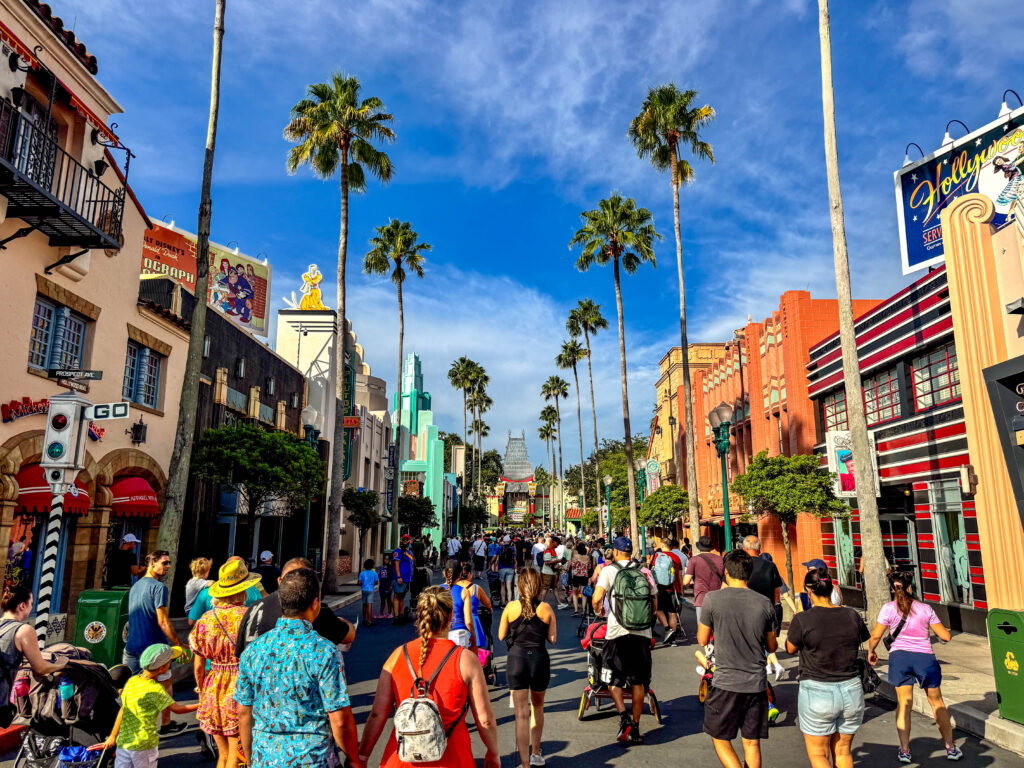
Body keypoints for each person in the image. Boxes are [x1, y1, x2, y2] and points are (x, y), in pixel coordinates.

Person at [358, 587, 500, 768]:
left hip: (403, 758)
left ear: (420, 616)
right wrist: (493, 752)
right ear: (451, 616)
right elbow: (484, 718)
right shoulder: (465, 660)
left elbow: (377, 714)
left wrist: (363, 756)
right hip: (453, 757)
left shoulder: (397, 656)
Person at [234, 569, 361, 767]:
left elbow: (244, 713)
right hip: (313, 758)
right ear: (315, 603)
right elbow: (340, 720)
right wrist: (354, 758)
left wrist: (251, 759)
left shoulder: (252, 652)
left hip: (265, 758)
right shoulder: (324, 651)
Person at [867, 568, 961, 762]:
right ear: (911, 586)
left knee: (904, 703)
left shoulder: (888, 609)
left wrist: (872, 651)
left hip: (900, 658)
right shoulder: (926, 609)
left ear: (894, 587)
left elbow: (876, 635)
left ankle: (905, 751)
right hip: (924, 658)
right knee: (937, 702)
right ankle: (950, 748)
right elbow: (945, 636)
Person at [698, 549, 778, 768]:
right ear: (749, 573)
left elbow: (702, 639)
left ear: (726, 572)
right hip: (756, 683)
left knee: (721, 738)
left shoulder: (712, 599)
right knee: (752, 743)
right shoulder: (764, 603)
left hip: (725, 682)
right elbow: (772, 646)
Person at [786, 567, 870, 768]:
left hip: (817, 690)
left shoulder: (802, 619)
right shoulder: (851, 615)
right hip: (851, 689)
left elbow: (790, 648)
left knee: (819, 755)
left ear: (809, 590)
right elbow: (862, 639)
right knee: (842, 753)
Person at [191, 560, 260, 768]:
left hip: (214, 686)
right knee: (236, 752)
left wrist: (202, 689)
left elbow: (198, 665)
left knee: (223, 754)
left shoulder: (206, 620)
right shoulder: (249, 617)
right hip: (241, 686)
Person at [591, 536, 656, 745]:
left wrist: (599, 610)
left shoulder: (609, 570)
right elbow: (655, 601)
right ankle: (635, 726)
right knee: (639, 682)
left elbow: (597, 596)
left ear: (617, 553)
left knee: (612, 680)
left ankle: (623, 717)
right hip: (642, 634)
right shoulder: (644, 571)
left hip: (617, 633)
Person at [96, 644, 199, 768]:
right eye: (169, 661)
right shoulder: (156, 689)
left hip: (124, 743)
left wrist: (113, 736)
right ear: (162, 668)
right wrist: (201, 704)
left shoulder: (132, 682)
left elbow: (123, 710)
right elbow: (178, 709)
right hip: (145, 745)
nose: (171, 663)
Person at [235, 557, 355, 659]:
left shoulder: (255, 608)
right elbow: (348, 635)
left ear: (280, 581)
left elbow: (240, 659)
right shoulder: (316, 613)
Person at [499, 568, 556, 768]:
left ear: (519, 585)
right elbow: (552, 639)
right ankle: (536, 752)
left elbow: (500, 635)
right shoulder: (546, 608)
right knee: (538, 707)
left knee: (521, 714)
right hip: (539, 660)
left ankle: (524, 764)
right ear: (538, 585)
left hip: (517, 661)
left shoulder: (510, 608)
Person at [124, 550, 186, 733]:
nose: (168, 567)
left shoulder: (135, 586)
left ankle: (132, 726)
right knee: (166, 683)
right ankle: (166, 723)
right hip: (153, 648)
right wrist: (178, 644)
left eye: (168, 563)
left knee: (134, 688)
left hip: (132, 646)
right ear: (152, 564)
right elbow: (163, 621)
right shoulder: (159, 588)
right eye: (164, 563)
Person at [0, 585, 68, 724]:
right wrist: (61, 663)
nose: (31, 608)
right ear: (22, 606)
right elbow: (40, 667)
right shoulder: (24, 630)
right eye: (31, 604)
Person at [189, 556, 264, 627]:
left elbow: (191, 622)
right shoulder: (254, 591)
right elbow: (260, 619)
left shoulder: (205, 593)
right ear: (245, 569)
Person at [742, 537, 783, 627]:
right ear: (759, 550)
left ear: (743, 549)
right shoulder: (771, 566)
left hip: (744, 614)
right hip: (766, 612)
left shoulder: (739, 566)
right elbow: (777, 594)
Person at [449, 562, 490, 651]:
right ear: (470, 574)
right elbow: (487, 603)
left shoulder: (453, 588)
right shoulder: (476, 588)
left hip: (455, 624)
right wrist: (490, 609)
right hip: (472, 623)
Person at [684, 536, 725, 625]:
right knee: (718, 628)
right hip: (717, 597)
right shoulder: (721, 559)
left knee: (703, 630)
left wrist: (690, 585)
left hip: (701, 598)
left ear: (699, 547)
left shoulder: (694, 560)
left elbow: (686, 581)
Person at [650, 537, 683, 646]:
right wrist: (681, 589)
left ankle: (667, 629)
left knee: (658, 610)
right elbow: (679, 575)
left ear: (663, 545)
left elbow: (653, 572)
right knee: (672, 613)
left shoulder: (658, 557)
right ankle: (673, 639)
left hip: (660, 588)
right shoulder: (676, 558)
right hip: (673, 588)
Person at [393, 536, 416, 621]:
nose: (406, 541)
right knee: (397, 595)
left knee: (402, 596)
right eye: (404, 539)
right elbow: (396, 563)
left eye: (407, 539)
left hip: (407, 578)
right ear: (401, 541)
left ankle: (401, 614)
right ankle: (396, 616)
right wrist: (398, 576)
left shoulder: (409, 552)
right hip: (400, 577)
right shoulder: (398, 550)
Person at [568, 542, 593, 616]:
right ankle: (583, 610)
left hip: (576, 576)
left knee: (575, 593)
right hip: (584, 576)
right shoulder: (587, 557)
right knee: (583, 594)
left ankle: (576, 611)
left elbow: (572, 566)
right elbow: (589, 567)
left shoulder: (575, 557)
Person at [492, 535, 517, 606]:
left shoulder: (499, 548)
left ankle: (503, 602)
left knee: (502, 585)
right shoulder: (512, 548)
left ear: (503, 541)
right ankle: (509, 602)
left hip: (501, 568)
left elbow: (494, 557)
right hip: (510, 568)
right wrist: (515, 568)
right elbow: (515, 560)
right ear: (509, 541)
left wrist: (491, 564)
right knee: (509, 586)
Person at [359, 558, 380, 626]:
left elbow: (359, 582)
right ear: (372, 565)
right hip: (371, 590)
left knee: (364, 605)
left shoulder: (362, 573)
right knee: (369, 605)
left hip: (364, 590)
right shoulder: (374, 573)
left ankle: (364, 619)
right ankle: (369, 620)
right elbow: (376, 582)